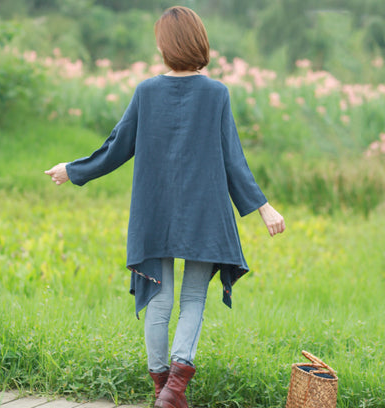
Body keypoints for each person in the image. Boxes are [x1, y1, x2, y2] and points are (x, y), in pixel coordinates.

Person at [45, 5, 285, 408]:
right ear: (199, 43)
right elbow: (233, 160)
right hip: (205, 213)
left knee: (159, 298)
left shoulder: (147, 91)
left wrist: (73, 170)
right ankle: (173, 391)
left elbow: (116, 147)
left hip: (154, 211)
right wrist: (264, 208)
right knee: (192, 300)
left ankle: (163, 391)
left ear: (166, 46)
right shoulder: (216, 93)